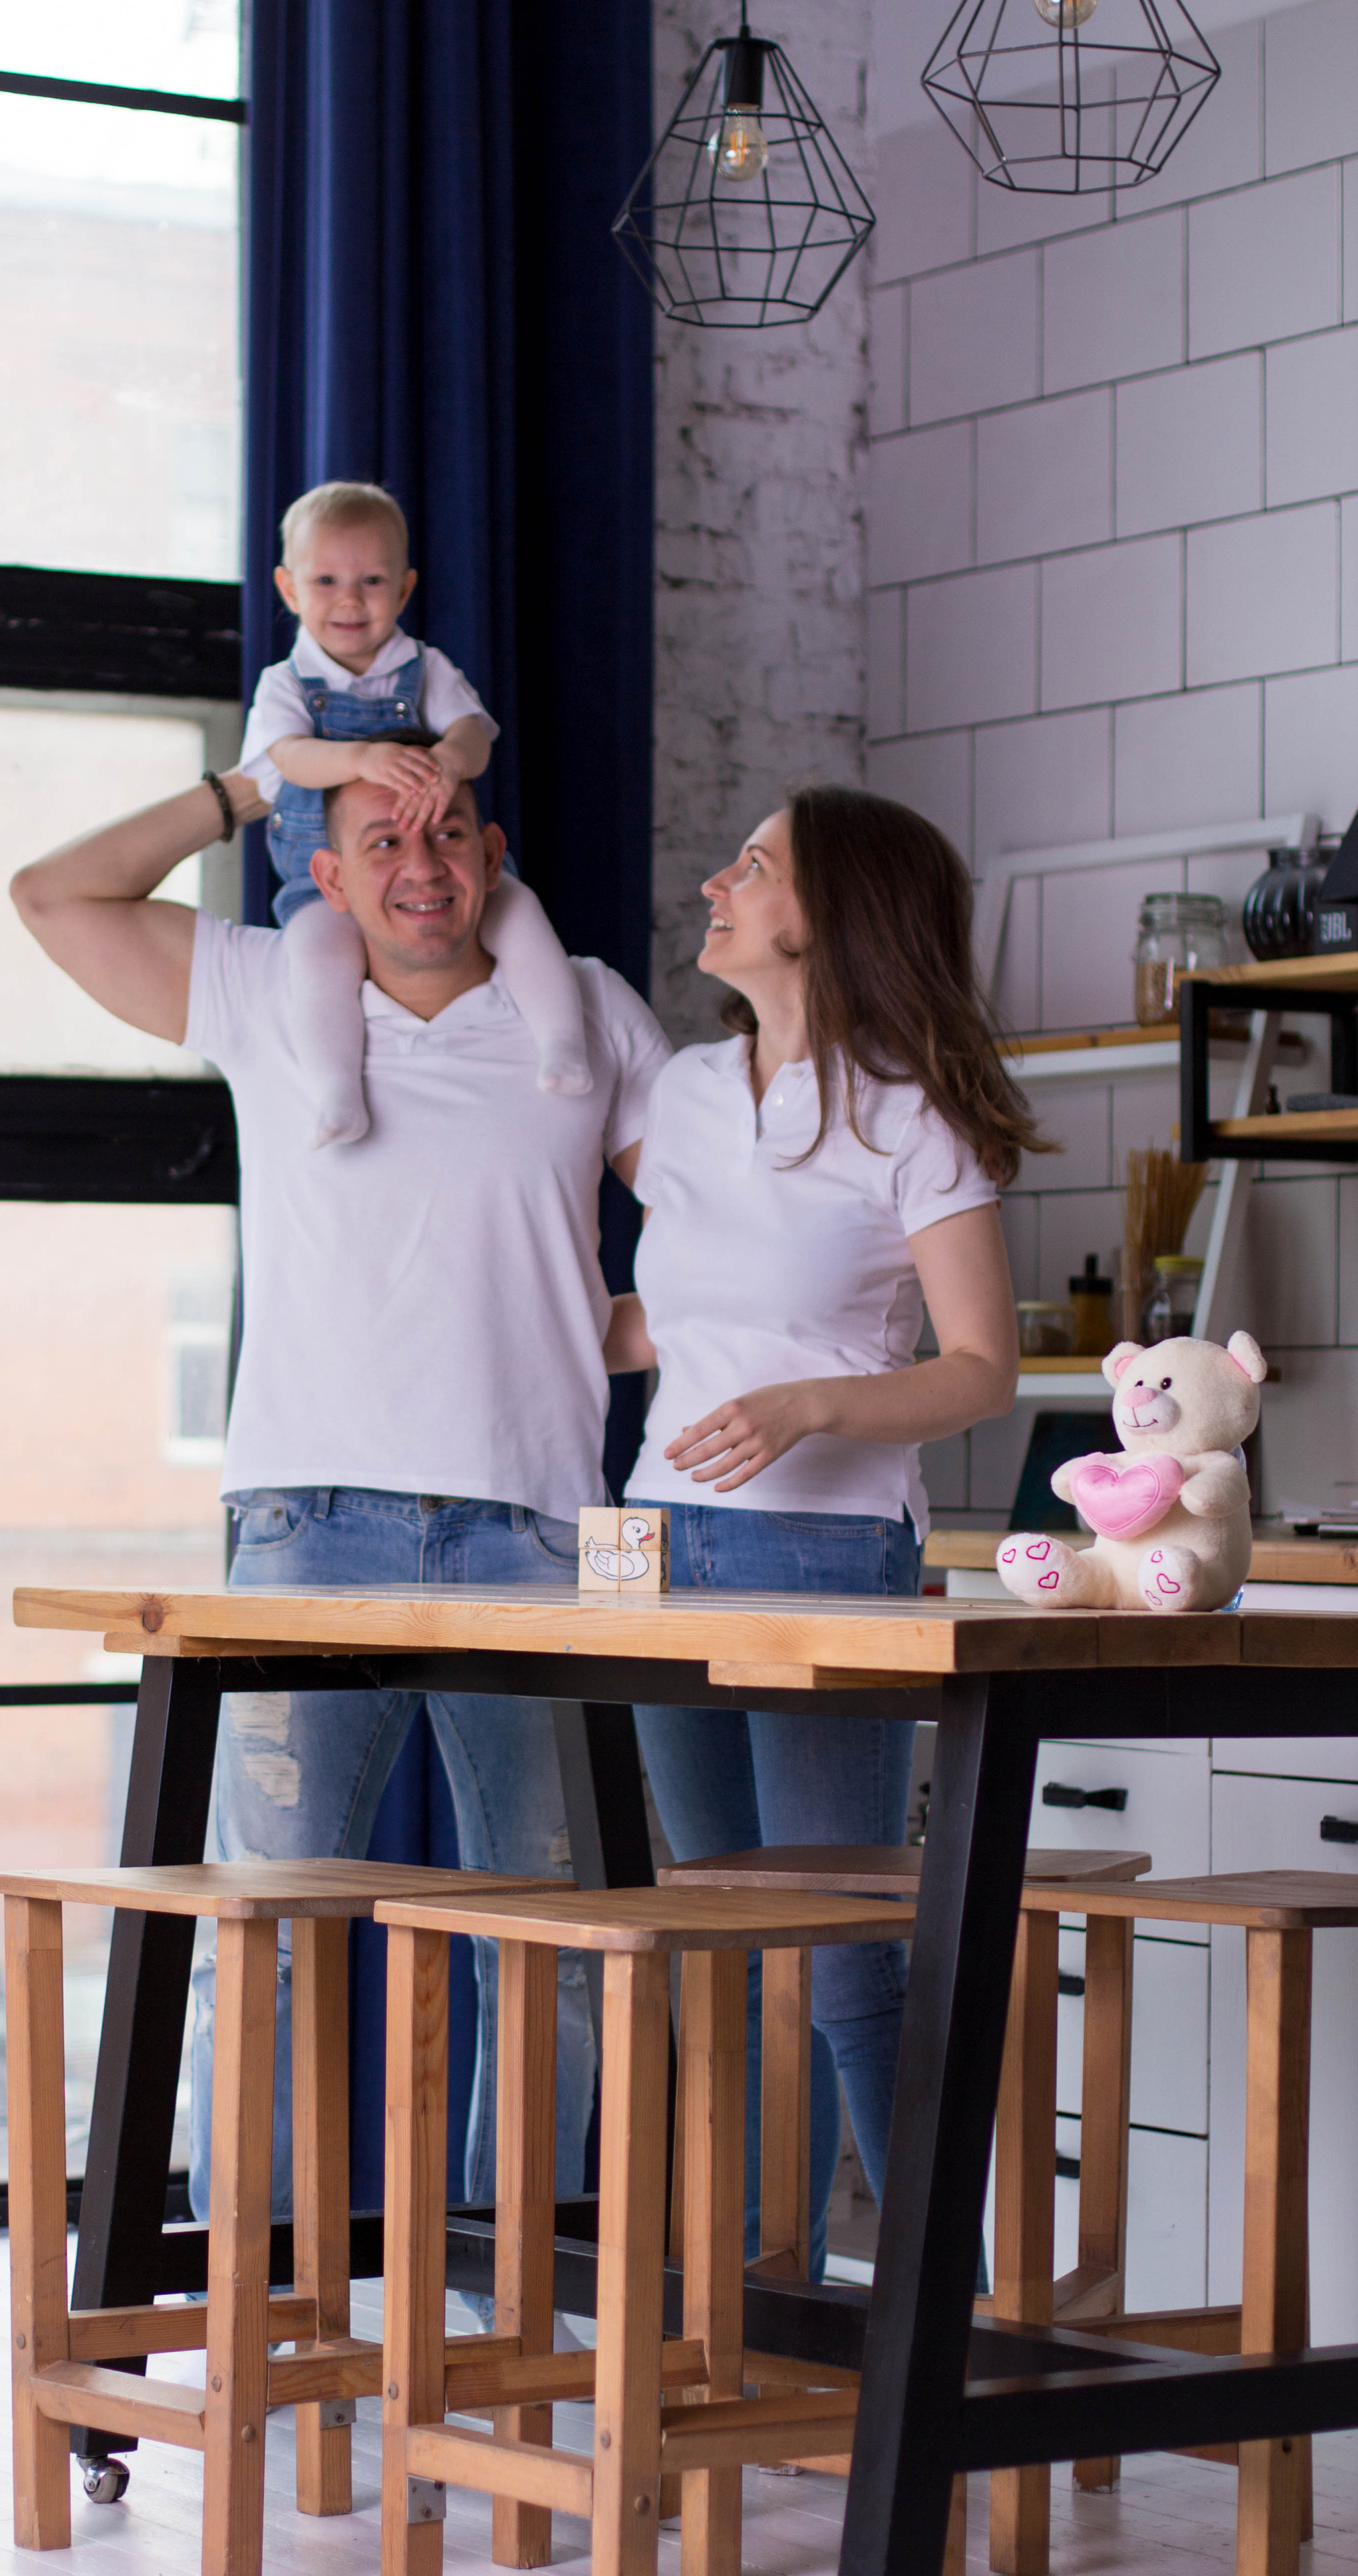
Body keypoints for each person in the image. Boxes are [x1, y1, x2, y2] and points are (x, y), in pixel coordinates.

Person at [11, 751, 670, 2222]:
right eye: (381, 837)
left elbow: (713, 1227)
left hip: (537, 1536)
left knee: (556, 1950)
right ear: (326, 873)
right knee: (270, 1942)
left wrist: (625, 1322)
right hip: (309, 1528)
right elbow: (54, 895)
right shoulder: (262, 993)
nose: (420, 862)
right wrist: (252, 785)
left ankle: (514, 2312)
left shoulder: (586, 1013)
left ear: (492, 853)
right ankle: (274, 2296)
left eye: (447, 833)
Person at [604, 783, 1037, 2275]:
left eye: (754, 863)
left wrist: (811, 1407)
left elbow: (982, 1366)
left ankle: (941, 2336)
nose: (717, 881)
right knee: (719, 1967)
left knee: (847, 1965)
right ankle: (745, 2324)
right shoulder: (678, 1094)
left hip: (824, 1564)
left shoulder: (911, 1115)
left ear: (824, 916)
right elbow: (686, 1320)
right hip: (663, 1555)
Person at [243, 478, 590, 1146]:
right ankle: (337, 1091)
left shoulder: (423, 668)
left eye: (372, 581)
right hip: (328, 873)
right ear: (289, 591)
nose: (349, 600)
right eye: (326, 582)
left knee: (518, 912)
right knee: (315, 954)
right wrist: (361, 762)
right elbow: (287, 759)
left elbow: (475, 734)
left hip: (435, 850)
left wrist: (450, 762)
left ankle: (561, 1045)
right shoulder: (285, 684)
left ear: (403, 590)